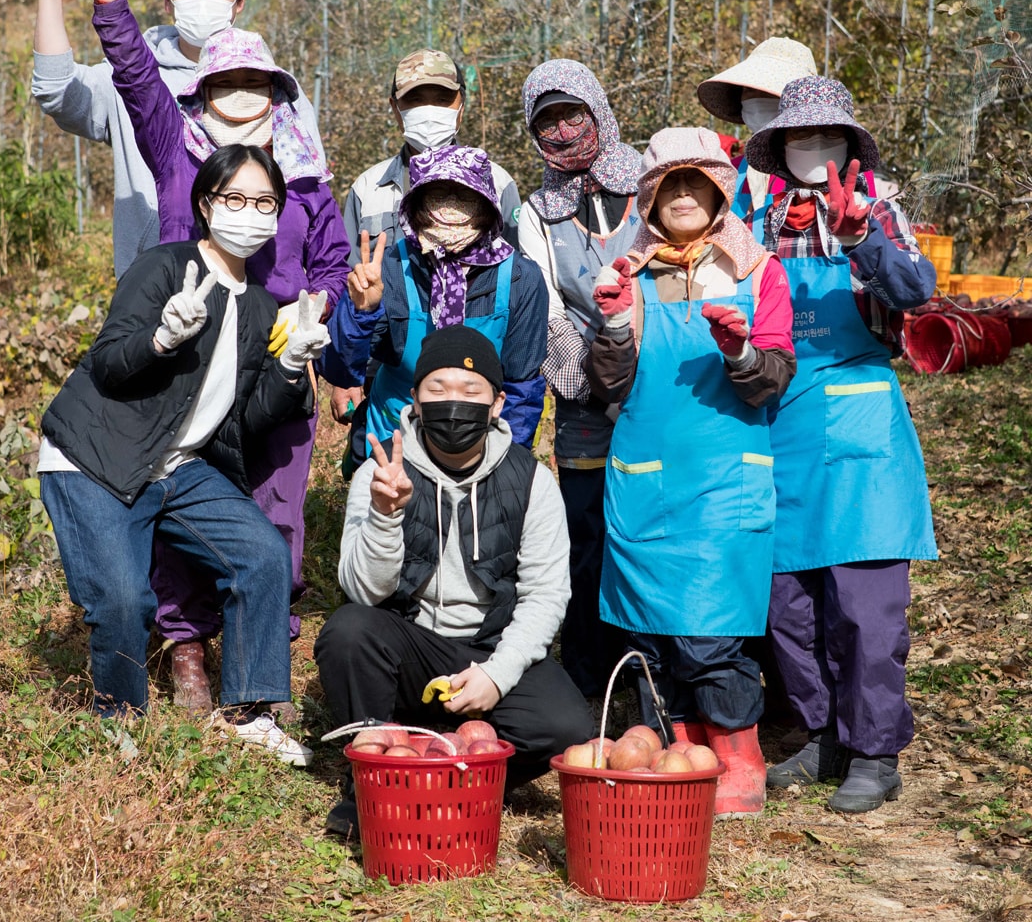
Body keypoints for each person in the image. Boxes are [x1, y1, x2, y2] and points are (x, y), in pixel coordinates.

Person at [61, 0, 351, 709]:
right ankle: (185, 649)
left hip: (275, 360)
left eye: (255, 84)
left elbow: (330, 254)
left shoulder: (304, 166)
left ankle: (259, 668)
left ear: (275, 91)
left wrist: (316, 313)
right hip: (189, 356)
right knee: (181, 494)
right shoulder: (173, 140)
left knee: (276, 510)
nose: (240, 97)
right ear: (205, 91)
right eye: (224, 84)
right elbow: (130, 68)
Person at [37, 144, 326, 764]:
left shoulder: (258, 306)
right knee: (122, 602)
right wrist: (161, 337)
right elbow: (112, 366)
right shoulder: (165, 268)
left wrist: (292, 366)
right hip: (98, 459)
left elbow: (245, 419)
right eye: (235, 199)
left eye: (264, 204)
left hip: (177, 466)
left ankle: (249, 712)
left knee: (264, 557)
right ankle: (120, 728)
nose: (249, 214)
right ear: (206, 204)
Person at [586, 127, 796, 818]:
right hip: (645, 478)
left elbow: (772, 380)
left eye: (695, 183)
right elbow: (608, 388)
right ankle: (677, 752)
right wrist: (613, 327)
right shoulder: (630, 272)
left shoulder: (758, 270)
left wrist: (739, 353)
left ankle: (738, 755)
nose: (681, 195)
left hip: (722, 479)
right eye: (668, 184)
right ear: (649, 197)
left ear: (718, 192)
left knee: (709, 632)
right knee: (647, 633)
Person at [742, 76, 938, 813]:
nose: (813, 149)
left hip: (859, 414)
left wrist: (863, 241)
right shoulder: (759, 219)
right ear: (781, 148)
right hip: (780, 414)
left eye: (827, 136)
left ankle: (874, 750)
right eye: (800, 138)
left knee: (865, 602)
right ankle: (823, 732)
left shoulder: (876, 206)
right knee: (786, 600)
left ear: (850, 145)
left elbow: (917, 291)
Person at [314, 325, 594, 836]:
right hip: (410, 645)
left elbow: (546, 595)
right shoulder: (379, 473)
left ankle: (454, 777)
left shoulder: (531, 480)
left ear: (498, 403)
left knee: (566, 726)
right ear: (415, 401)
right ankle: (371, 782)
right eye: (437, 391)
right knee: (349, 631)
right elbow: (364, 592)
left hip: (489, 646)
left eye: (471, 392)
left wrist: (497, 674)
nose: (453, 404)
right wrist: (384, 514)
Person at [33, 0, 329, 278]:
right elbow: (56, 88)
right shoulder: (129, 79)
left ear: (238, 4)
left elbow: (309, 200)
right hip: (160, 282)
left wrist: (315, 294)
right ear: (168, 2)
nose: (202, 0)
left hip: (265, 285)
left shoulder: (279, 93)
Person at [516, 59, 643, 702]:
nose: (564, 132)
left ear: (598, 109)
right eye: (548, 122)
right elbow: (547, 303)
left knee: (651, 521)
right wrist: (589, 375)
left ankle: (655, 672)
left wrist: (638, 353)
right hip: (584, 390)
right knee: (585, 529)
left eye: (574, 114)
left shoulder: (649, 178)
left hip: (660, 382)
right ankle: (590, 679)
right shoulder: (538, 211)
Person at [321, 145, 548, 467]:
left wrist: (504, 465)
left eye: (463, 195)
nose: (450, 208)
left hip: (482, 444)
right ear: (416, 207)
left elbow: (521, 387)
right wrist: (360, 312)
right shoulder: (389, 269)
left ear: (486, 205)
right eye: (438, 194)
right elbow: (340, 369)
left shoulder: (521, 278)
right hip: (392, 437)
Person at [331, 49, 524, 425]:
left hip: (477, 375)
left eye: (441, 98)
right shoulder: (368, 188)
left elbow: (516, 281)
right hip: (385, 372)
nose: (429, 108)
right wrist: (346, 376)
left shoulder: (499, 185)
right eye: (415, 99)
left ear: (461, 106)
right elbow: (350, 280)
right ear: (395, 107)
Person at [696, 37, 818, 217]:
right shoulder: (729, 172)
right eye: (750, 90)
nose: (758, 98)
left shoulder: (833, 170)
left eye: (769, 90)